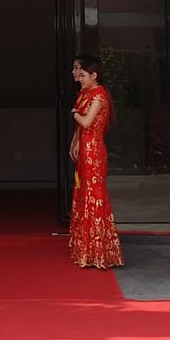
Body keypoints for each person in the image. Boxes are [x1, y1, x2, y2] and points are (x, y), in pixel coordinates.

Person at [68, 53, 124, 268]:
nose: (79, 78)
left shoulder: (99, 95)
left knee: (94, 197)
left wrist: (74, 112)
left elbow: (86, 121)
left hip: (93, 152)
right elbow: (80, 129)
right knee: (84, 195)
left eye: (83, 75)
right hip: (85, 149)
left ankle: (98, 251)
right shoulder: (86, 94)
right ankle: (87, 250)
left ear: (94, 75)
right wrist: (75, 142)